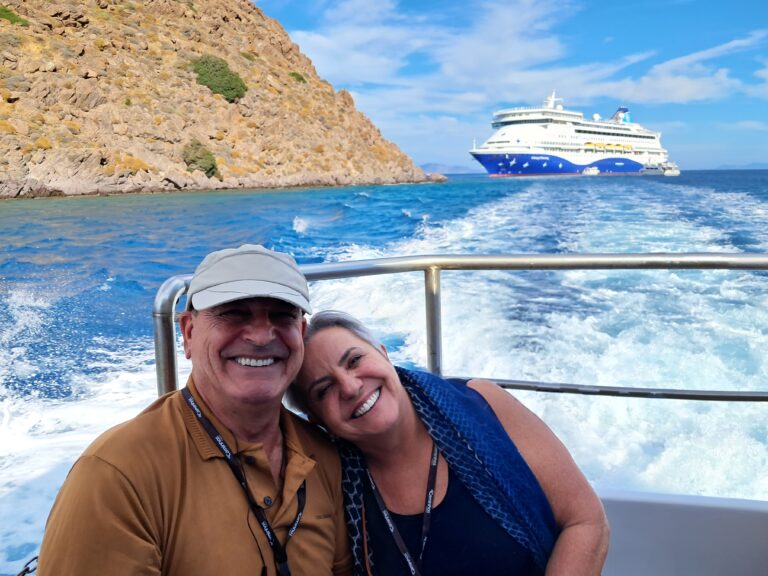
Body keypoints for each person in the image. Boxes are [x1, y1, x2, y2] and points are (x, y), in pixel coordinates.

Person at [37, 245, 353, 576]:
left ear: (300, 334)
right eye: (234, 313)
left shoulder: (325, 456)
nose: (261, 336)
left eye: (282, 315)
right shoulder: (116, 476)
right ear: (188, 333)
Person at [290, 310, 610, 576]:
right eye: (324, 389)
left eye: (354, 360)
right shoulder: (330, 485)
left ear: (384, 353)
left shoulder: (483, 406)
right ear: (317, 419)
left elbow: (584, 521)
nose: (349, 387)